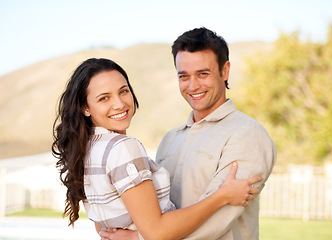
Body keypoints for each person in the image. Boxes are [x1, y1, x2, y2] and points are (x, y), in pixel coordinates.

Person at [52, 58, 262, 240]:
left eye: (123, 91)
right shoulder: (123, 147)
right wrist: (222, 196)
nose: (119, 104)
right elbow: (157, 233)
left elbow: (106, 229)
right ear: (85, 107)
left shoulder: (86, 150)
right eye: (104, 98)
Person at [101, 27, 277, 240]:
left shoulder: (247, 135)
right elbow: (156, 212)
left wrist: (138, 238)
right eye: (184, 76)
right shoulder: (169, 139)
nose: (193, 86)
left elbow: (218, 218)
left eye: (203, 74)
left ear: (225, 70)